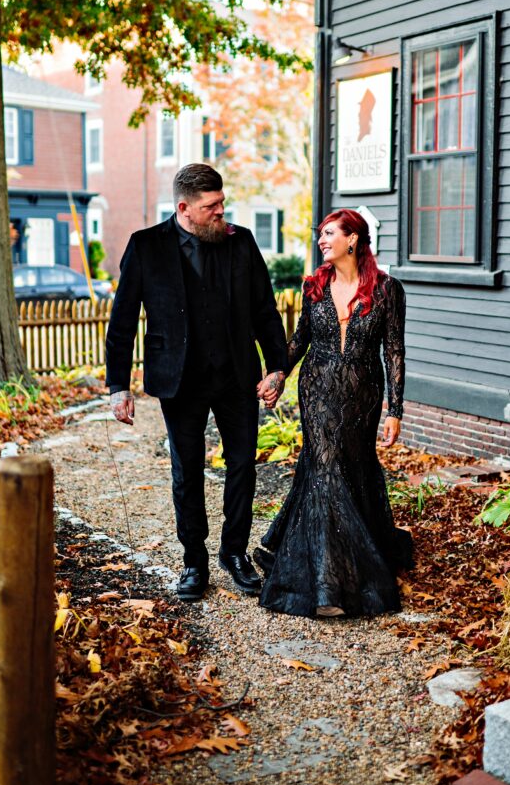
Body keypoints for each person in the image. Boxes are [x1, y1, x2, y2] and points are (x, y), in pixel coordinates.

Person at [106, 164, 288, 602]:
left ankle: (234, 553)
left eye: (222, 203)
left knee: (243, 464)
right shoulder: (146, 246)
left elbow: (264, 308)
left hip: (236, 376)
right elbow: (123, 318)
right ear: (184, 208)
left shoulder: (240, 242)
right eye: (212, 207)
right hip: (179, 380)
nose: (221, 212)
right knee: (186, 471)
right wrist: (118, 386)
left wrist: (277, 367)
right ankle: (194, 560)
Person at [255, 209, 413, 618]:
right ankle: (328, 583)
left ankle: (336, 546)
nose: (321, 241)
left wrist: (394, 409)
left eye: (329, 234)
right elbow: (300, 340)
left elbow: (394, 351)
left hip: (362, 392)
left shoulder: (387, 290)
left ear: (353, 239)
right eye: (320, 235)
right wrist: (278, 375)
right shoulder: (315, 286)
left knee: (349, 465)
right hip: (317, 389)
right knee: (325, 467)